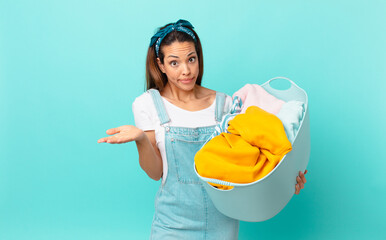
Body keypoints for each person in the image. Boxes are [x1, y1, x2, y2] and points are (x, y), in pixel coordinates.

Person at [97, 19, 307, 240]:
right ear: (161, 65)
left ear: (199, 58)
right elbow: (155, 172)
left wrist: (285, 180)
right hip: (171, 225)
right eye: (174, 63)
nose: (186, 71)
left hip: (223, 226)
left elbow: (250, 164)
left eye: (191, 59)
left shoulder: (226, 104)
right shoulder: (147, 104)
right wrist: (140, 138)